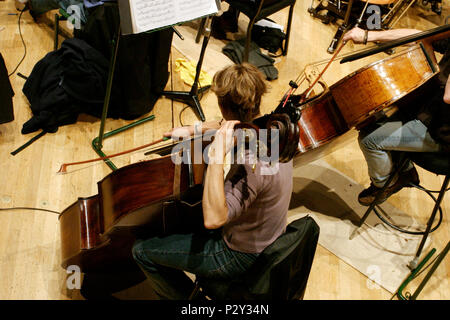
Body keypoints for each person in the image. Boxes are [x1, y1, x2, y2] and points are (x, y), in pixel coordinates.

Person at [132, 63, 293, 299]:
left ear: (221, 104)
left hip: (238, 253)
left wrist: (218, 156)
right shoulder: (271, 130)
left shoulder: (254, 165)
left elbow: (214, 219)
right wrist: (193, 130)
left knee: (141, 252)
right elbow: (227, 125)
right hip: (266, 234)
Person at [342, 27, 450, 206]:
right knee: (372, 119)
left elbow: (448, 96)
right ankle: (405, 170)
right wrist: (368, 36)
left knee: (369, 140)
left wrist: (433, 75)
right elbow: (421, 35)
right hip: (427, 110)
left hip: (441, 133)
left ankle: (385, 185)